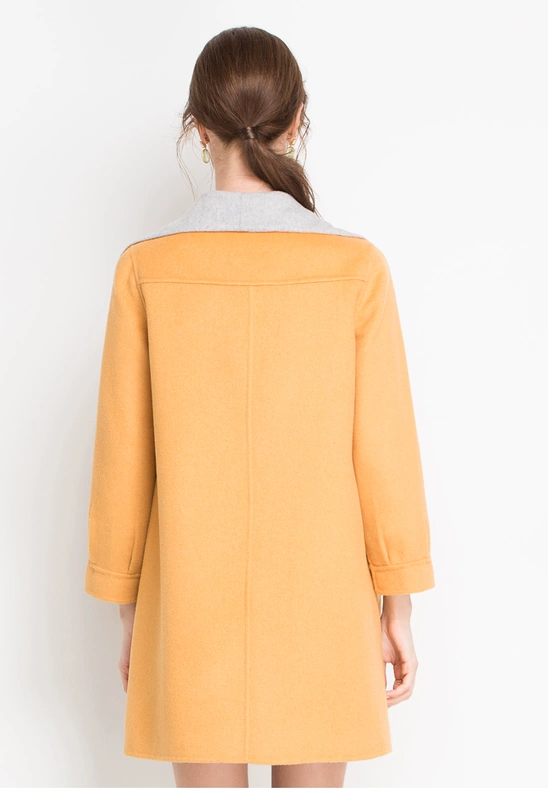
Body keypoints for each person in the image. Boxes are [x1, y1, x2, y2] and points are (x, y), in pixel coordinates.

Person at [84, 26, 435, 789]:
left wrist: (128, 608)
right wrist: (398, 605)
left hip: (189, 594)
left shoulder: (146, 269)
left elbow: (122, 459)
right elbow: (385, 453)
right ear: (297, 121)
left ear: (197, 128)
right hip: (322, 596)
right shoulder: (354, 268)